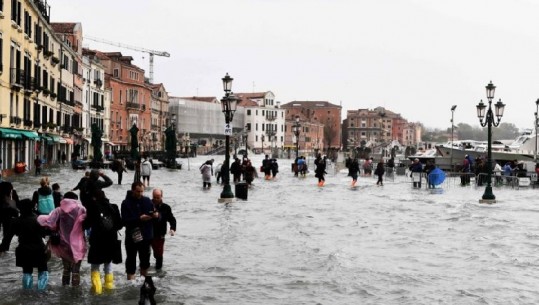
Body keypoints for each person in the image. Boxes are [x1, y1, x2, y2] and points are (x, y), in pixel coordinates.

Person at [38, 192, 87, 287]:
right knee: (76, 270)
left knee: (66, 268)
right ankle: (75, 292)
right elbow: (87, 223)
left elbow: (50, 223)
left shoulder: (58, 210)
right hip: (79, 243)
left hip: (63, 243)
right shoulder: (81, 209)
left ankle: (65, 289)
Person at [83, 190, 123, 294]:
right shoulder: (114, 207)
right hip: (111, 241)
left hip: (97, 241)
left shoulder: (93, 208)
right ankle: (109, 289)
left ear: (94, 198)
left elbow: (86, 225)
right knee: (108, 265)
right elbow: (120, 225)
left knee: (95, 266)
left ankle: (97, 292)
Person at [121, 181, 158, 280]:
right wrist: (139, 219)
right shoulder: (126, 203)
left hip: (146, 236)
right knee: (131, 260)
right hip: (132, 236)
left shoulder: (147, 201)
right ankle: (131, 282)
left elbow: (155, 215)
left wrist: (156, 215)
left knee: (145, 261)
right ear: (133, 190)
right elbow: (124, 221)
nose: (140, 194)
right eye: (138, 191)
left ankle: (144, 281)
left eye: (142, 191)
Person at [12, 199, 49, 291]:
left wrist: (2, 249)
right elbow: (45, 233)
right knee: (43, 270)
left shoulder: (16, 221)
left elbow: (7, 237)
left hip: (23, 249)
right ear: (33, 208)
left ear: (20, 208)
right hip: (39, 249)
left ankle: (27, 292)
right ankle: (42, 291)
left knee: (27, 271)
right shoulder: (39, 219)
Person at [151, 188, 176, 271]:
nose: (156, 199)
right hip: (147, 233)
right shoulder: (147, 204)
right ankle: (143, 274)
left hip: (159, 234)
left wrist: (172, 229)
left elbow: (172, 219)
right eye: (154, 197)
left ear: (162, 196)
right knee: (144, 254)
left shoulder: (166, 207)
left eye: (158, 197)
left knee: (158, 254)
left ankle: (158, 273)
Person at [0, 182, 19, 253]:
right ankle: (4, 248)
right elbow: (17, 203)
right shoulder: (13, 192)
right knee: (7, 232)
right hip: (8, 214)